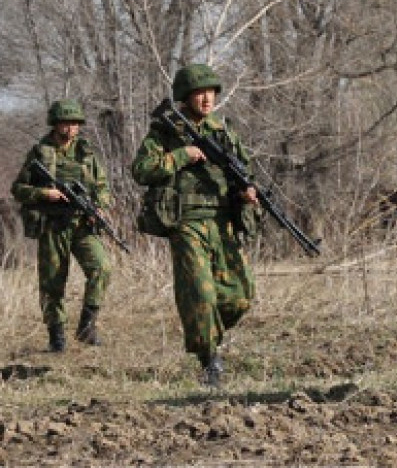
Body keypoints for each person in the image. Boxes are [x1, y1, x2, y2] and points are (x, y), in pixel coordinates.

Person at [131, 64, 258, 387]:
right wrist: (181, 155)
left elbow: (244, 172)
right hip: (186, 222)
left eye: (211, 92)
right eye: (199, 93)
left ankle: (208, 334)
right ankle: (209, 360)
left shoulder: (223, 132)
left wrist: (247, 193)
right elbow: (141, 170)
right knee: (200, 294)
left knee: (240, 297)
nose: (206, 98)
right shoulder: (166, 131)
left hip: (222, 222)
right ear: (184, 97)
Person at [11, 100, 114, 352]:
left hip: (81, 225)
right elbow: (18, 189)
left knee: (102, 268)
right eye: (65, 123)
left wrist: (99, 207)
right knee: (52, 283)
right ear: (55, 124)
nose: (70, 128)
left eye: (74, 123)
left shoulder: (86, 154)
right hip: (52, 225)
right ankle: (56, 337)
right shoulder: (40, 153)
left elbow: (102, 188)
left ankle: (86, 327)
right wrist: (44, 194)